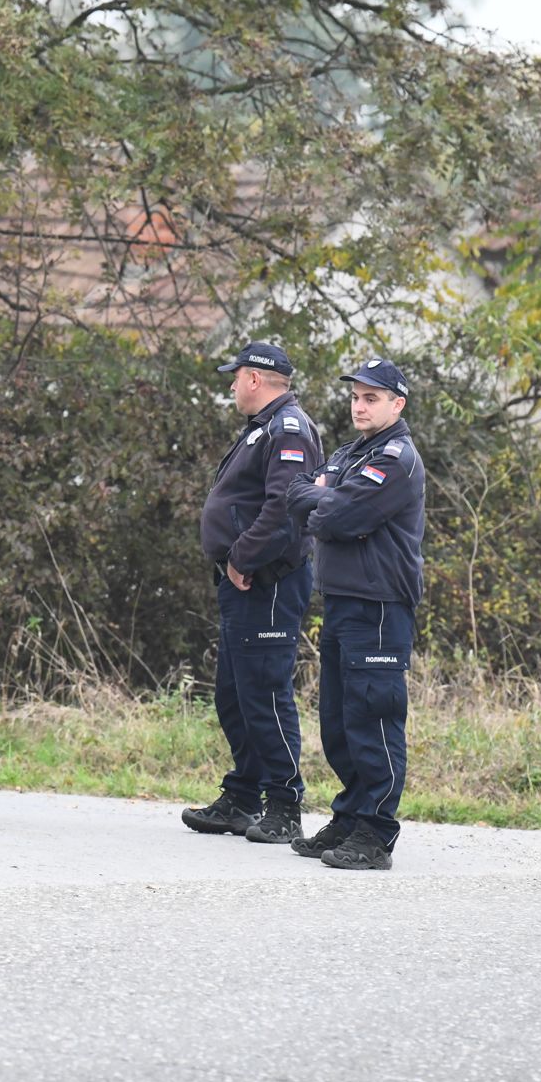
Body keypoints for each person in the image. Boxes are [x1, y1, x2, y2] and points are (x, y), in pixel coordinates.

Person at [284, 357, 425, 871]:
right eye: (355, 397)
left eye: (371, 398)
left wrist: (326, 502)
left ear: (397, 404)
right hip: (342, 600)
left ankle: (376, 831)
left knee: (374, 716)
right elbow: (295, 493)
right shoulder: (348, 454)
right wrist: (326, 500)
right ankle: (350, 816)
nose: (360, 406)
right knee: (341, 721)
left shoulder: (397, 458)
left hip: (380, 605)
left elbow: (342, 515)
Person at [182, 341, 324, 844]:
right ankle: (243, 796)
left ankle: (284, 804)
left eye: (235, 376)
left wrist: (241, 557)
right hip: (243, 581)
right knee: (234, 694)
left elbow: (285, 507)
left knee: (264, 692)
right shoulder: (263, 428)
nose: (231, 385)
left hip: (266, 581)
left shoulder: (287, 428)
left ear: (257, 379)